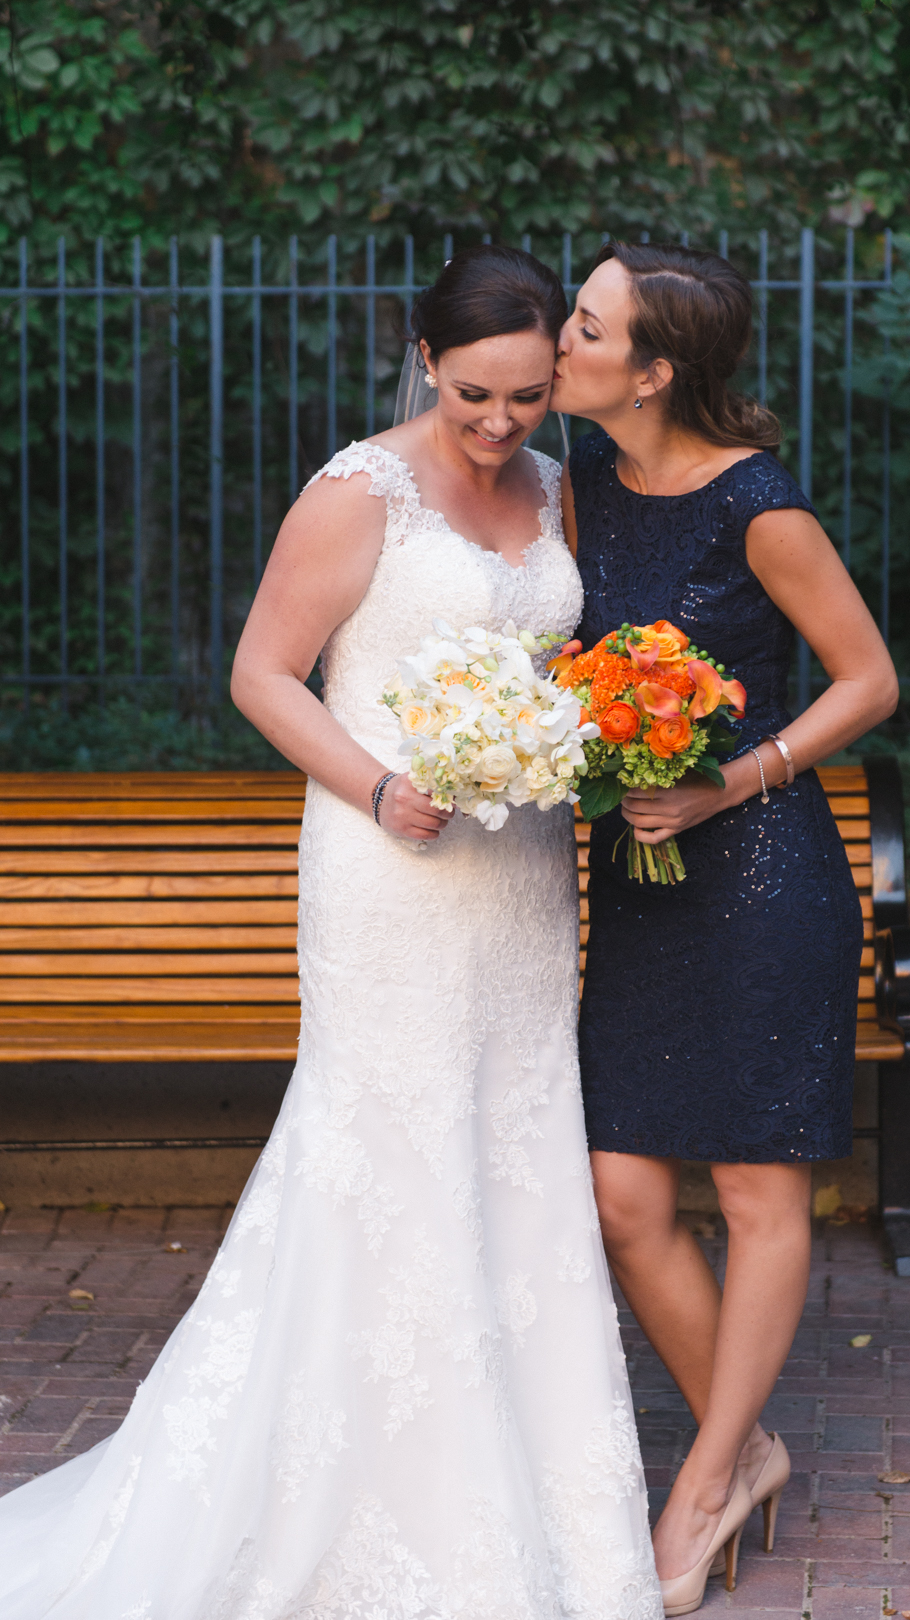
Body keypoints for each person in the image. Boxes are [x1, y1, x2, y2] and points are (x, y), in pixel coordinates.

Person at [0, 246, 662, 1620]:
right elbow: (262, 670)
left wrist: (566, 743)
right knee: (390, 1149)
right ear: (425, 359)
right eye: (476, 393)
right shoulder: (359, 490)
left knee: (511, 1149)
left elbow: (571, 664)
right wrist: (375, 784)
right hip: (388, 863)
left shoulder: (556, 489)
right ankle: (377, 1501)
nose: (499, 424)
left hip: (523, 873)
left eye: (529, 398)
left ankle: (540, 1506)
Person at [551, 240, 898, 1616]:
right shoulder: (578, 486)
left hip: (761, 880)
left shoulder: (758, 506)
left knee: (757, 1191)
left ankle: (697, 1488)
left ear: (652, 369)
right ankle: (744, 1444)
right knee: (622, 1196)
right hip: (642, 889)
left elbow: (866, 678)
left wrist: (730, 777)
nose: (556, 340)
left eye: (583, 325)